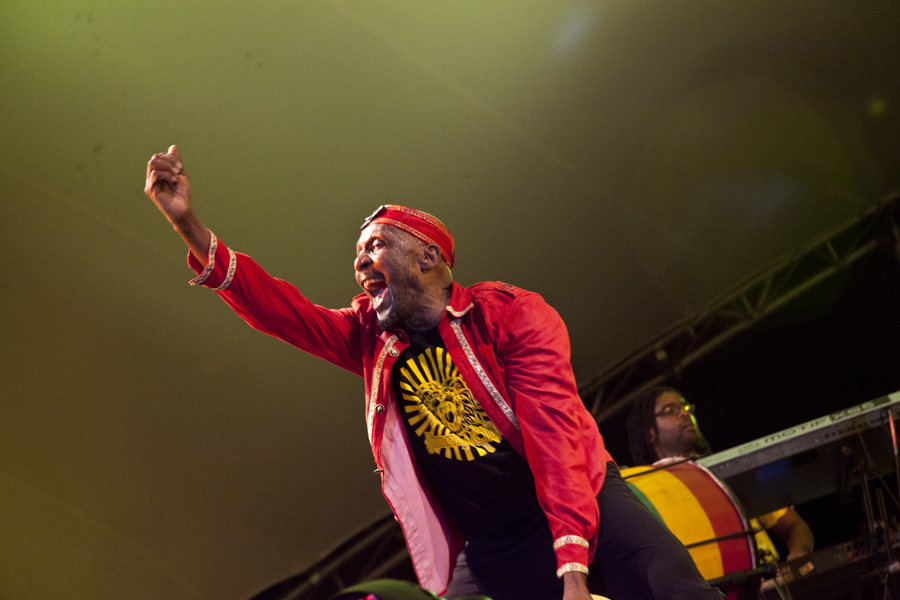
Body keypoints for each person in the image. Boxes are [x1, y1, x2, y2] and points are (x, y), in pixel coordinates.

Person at [144, 146, 725, 600]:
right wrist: (188, 224)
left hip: (584, 501)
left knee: (675, 591)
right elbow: (281, 312)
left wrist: (572, 566)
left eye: (373, 246)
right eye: (356, 253)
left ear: (428, 256)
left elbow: (555, 439)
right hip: (496, 544)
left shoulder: (512, 314)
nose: (359, 262)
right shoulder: (371, 336)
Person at [626, 386, 815, 562]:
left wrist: (800, 556)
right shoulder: (647, 499)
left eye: (685, 407)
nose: (685, 413)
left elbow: (793, 526)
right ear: (649, 432)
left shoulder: (727, 476)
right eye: (670, 410)